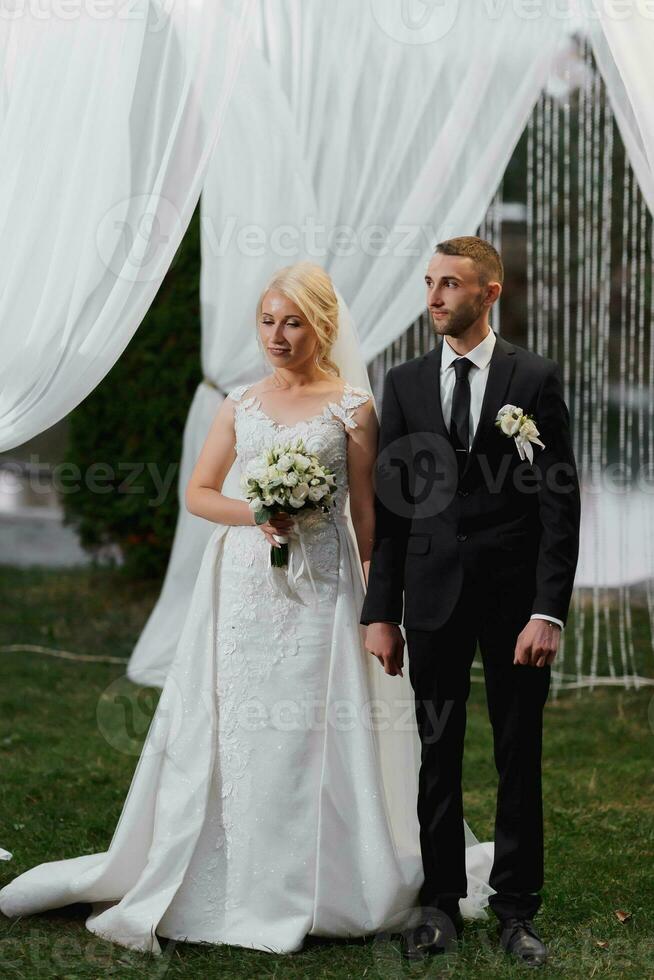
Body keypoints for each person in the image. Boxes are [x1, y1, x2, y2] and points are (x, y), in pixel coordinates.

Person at [0, 261, 493, 955]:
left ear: (320, 326)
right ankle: (223, 865)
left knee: (314, 725)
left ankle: (326, 879)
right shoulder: (241, 404)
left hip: (324, 583)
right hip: (242, 588)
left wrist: (383, 604)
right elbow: (198, 493)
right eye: (267, 321)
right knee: (237, 720)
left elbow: (369, 516)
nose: (277, 335)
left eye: (292, 322)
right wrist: (257, 510)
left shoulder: (352, 406)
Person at [362, 237, 581, 966]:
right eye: (429, 283)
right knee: (437, 750)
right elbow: (392, 510)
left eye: (449, 284)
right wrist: (380, 612)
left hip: (515, 602)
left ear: (489, 292)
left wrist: (547, 611)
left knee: (519, 754)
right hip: (430, 595)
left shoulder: (535, 376)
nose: (433, 297)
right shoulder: (405, 384)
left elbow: (559, 501)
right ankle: (439, 903)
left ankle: (516, 909)